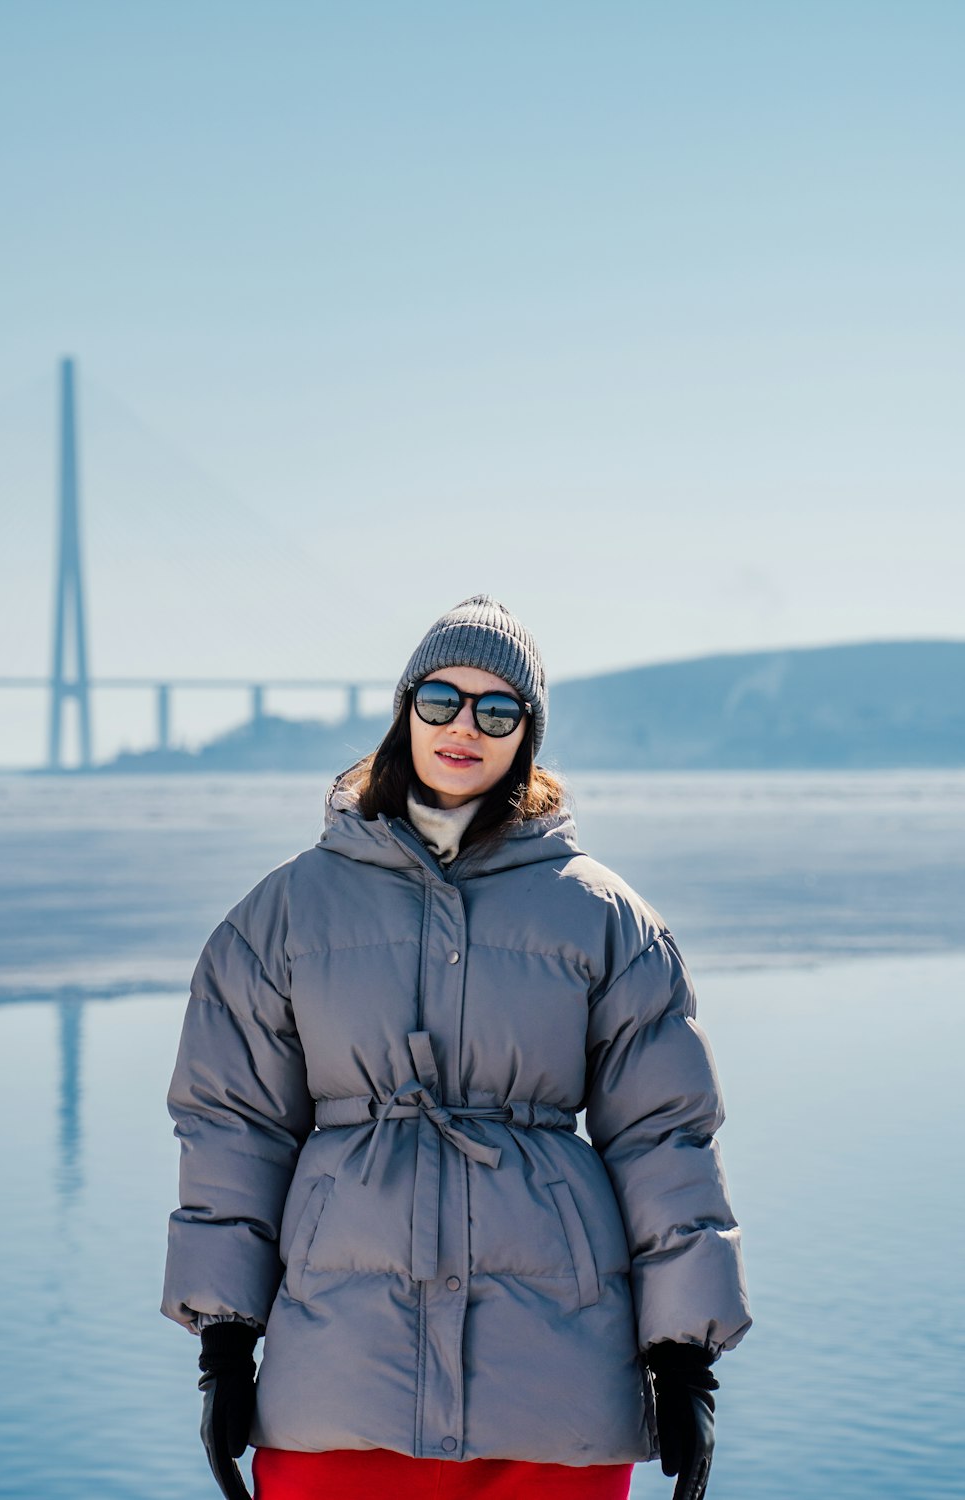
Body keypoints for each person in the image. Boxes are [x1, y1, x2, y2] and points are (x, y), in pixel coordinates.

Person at [162, 595, 751, 1500]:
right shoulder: (282, 916)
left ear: (529, 736)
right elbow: (233, 1131)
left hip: (554, 1381)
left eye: (498, 709)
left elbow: (663, 1136)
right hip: (340, 1375)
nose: (463, 726)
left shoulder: (604, 920)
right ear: (405, 710)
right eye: (440, 699)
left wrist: (683, 1356)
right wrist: (226, 1341)